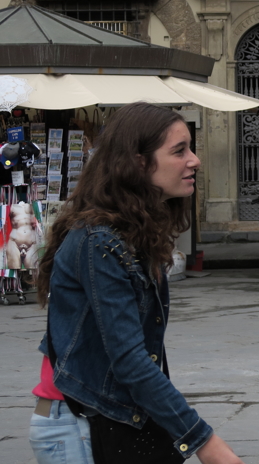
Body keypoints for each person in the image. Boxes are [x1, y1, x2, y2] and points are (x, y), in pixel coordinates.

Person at [32, 102, 244, 464]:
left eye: (190, 148)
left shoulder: (129, 236)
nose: (194, 160)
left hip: (109, 419)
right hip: (80, 427)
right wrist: (206, 444)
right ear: (138, 162)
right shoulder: (98, 241)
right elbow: (130, 359)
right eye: (179, 151)